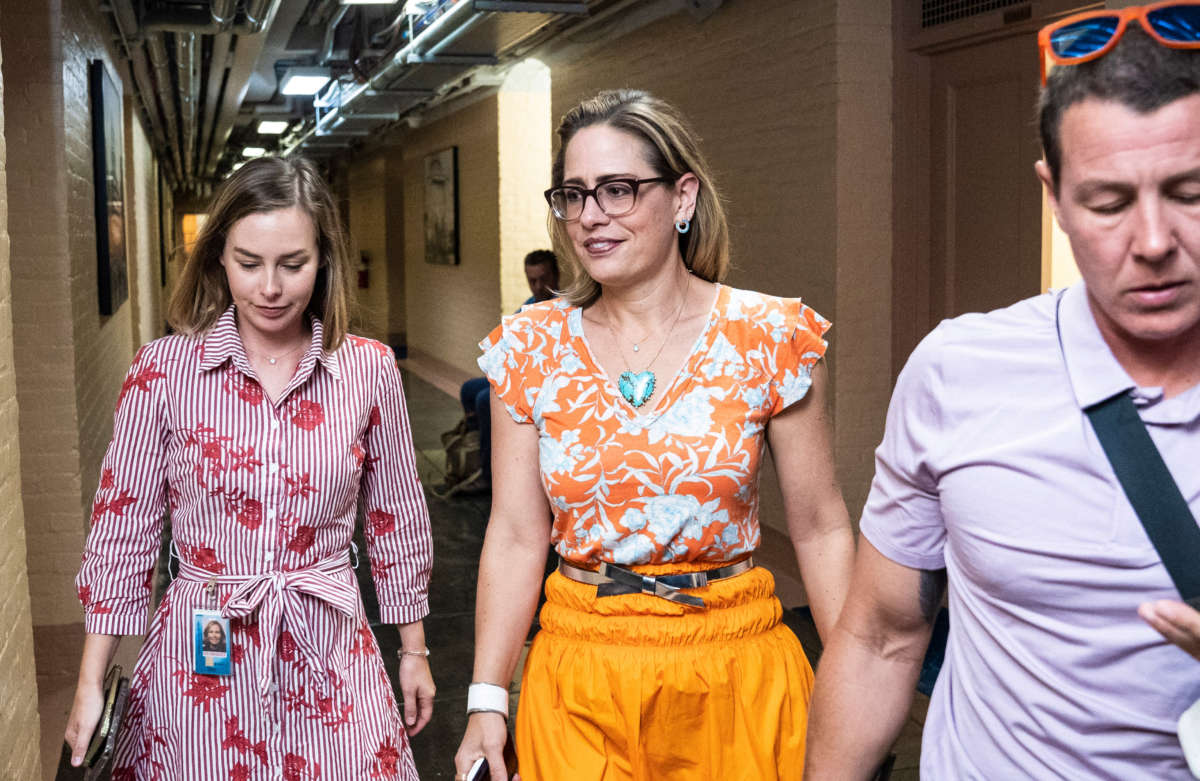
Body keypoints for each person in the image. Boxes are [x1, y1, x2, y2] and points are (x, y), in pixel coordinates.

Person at [806, 12, 1200, 780]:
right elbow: (881, 636)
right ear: (1053, 195)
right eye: (1109, 202)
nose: (1153, 241)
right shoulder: (959, 371)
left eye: (1190, 191)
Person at [453, 88, 855, 780]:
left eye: (618, 190)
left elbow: (820, 529)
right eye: (573, 194)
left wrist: (858, 699)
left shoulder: (768, 337)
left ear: (683, 197)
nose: (590, 216)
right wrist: (488, 696)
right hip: (581, 668)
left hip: (734, 667)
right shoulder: (531, 345)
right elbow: (518, 534)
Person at [63, 156, 435, 780]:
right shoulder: (164, 370)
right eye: (248, 263)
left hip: (330, 645)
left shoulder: (367, 369)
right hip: (202, 648)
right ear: (217, 259)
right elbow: (122, 530)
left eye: (293, 265)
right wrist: (88, 682)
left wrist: (414, 651)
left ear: (324, 262)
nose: (270, 287)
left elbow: (395, 518)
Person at [439, 251, 561, 497]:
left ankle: (488, 474)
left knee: (486, 400)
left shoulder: (563, 305)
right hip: (520, 372)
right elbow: (504, 343)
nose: (538, 286)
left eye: (543, 279)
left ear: (556, 276)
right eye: (532, 280)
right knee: (470, 389)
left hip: (546, 381)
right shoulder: (530, 305)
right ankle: (475, 447)